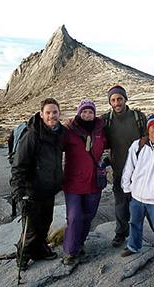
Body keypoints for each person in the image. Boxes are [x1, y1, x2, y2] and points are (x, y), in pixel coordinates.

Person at [10, 98, 66, 270]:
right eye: (48, 113)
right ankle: (22, 257)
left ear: (59, 113)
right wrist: (20, 194)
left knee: (45, 223)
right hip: (32, 191)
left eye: (54, 112)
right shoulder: (32, 135)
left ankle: (40, 250)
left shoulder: (59, 133)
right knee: (31, 228)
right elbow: (18, 167)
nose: (51, 116)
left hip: (48, 189)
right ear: (41, 114)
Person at [119, 113, 154, 260]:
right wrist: (127, 189)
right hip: (136, 196)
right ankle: (133, 246)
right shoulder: (138, 145)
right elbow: (129, 167)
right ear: (148, 128)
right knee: (134, 224)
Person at [61, 99, 107, 266]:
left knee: (88, 216)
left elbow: (112, 146)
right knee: (74, 217)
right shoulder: (69, 130)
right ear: (78, 113)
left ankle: (79, 244)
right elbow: (53, 145)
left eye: (90, 112)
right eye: (84, 112)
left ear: (95, 114)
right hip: (73, 182)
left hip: (94, 182)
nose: (87, 115)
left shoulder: (101, 130)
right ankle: (69, 251)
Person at [101, 85, 148, 247]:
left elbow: (150, 139)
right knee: (121, 203)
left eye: (119, 99)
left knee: (148, 203)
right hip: (119, 170)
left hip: (141, 170)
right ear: (110, 102)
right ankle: (121, 233)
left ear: (125, 99)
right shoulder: (105, 120)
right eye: (113, 100)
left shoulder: (138, 117)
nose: (116, 103)